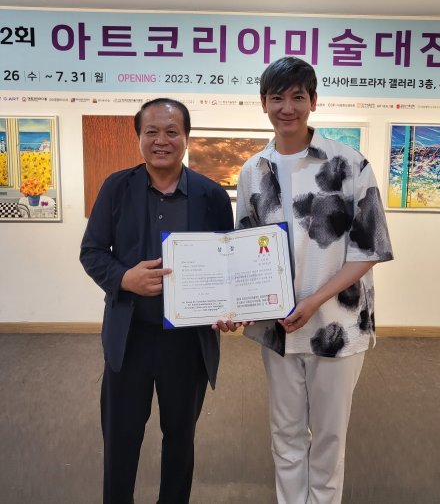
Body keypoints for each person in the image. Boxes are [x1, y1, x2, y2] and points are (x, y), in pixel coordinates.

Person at [235, 56, 393, 504]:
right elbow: (244, 247)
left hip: (336, 326)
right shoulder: (253, 170)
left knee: (328, 437)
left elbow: (369, 249)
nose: (288, 107)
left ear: (314, 101)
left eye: (298, 97)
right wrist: (236, 304)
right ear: (263, 103)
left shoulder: (348, 163)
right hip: (278, 327)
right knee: (284, 434)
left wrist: (313, 301)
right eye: (277, 98)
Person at [80, 97, 234, 504]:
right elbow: (91, 251)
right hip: (130, 337)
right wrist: (124, 278)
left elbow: (227, 266)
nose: (161, 140)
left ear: (186, 138)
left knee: (180, 439)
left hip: (188, 342)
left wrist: (228, 308)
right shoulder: (116, 187)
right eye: (151, 132)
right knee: (120, 439)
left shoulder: (212, 196)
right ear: (139, 137)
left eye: (171, 132)